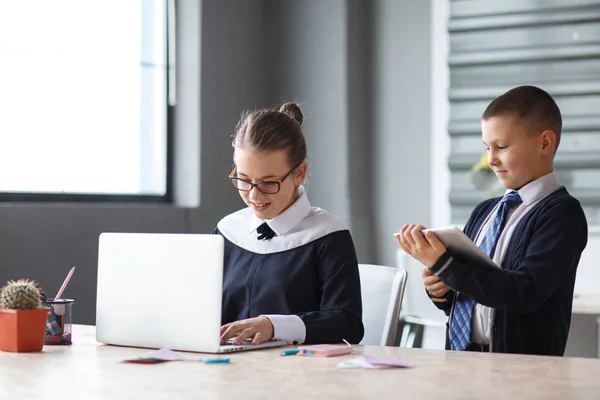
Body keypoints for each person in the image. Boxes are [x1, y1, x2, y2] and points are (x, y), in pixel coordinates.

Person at [396, 85, 588, 356]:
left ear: (545, 143)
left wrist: (445, 264)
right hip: (462, 361)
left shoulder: (561, 214)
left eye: (502, 146)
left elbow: (524, 292)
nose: (491, 160)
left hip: (521, 370)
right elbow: (473, 296)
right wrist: (443, 289)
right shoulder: (484, 211)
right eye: (487, 147)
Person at [213, 102, 364, 346]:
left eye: (268, 183)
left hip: (299, 374)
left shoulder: (328, 236)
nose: (254, 195)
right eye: (244, 180)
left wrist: (274, 326)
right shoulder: (227, 231)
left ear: (300, 173)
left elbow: (347, 325)